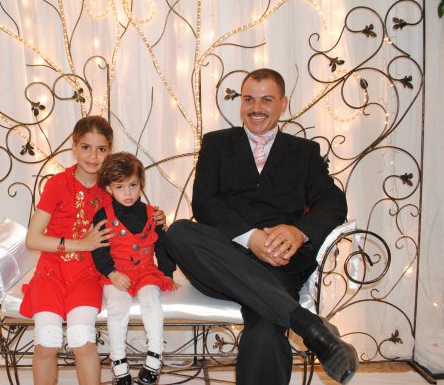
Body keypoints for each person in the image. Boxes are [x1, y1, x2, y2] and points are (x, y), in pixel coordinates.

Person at [164, 68, 359, 385]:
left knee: (266, 329)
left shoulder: (304, 152)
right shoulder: (216, 144)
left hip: (280, 265)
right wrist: (250, 238)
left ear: (283, 104)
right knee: (179, 232)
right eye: (249, 99)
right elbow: (204, 203)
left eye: (266, 100)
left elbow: (332, 203)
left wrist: (298, 232)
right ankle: (309, 326)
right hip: (223, 263)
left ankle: (296, 319)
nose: (256, 108)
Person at [19, 116, 166, 385]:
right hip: (51, 272)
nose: (93, 156)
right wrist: (81, 244)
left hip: (88, 274)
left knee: (81, 340)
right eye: (86, 147)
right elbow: (32, 239)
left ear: (109, 150)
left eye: (101, 149)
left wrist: (157, 218)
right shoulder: (57, 184)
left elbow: (137, 215)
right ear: (74, 147)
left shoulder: (112, 187)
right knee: (47, 341)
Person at [92, 152, 180, 385]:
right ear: (109, 188)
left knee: (151, 300)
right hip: (116, 272)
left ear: (141, 183)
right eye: (120, 187)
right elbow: (98, 250)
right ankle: (118, 362)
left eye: (133, 185)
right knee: (117, 306)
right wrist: (112, 273)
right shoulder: (102, 216)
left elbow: (162, 245)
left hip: (146, 271)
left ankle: (155, 356)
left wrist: (167, 274)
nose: (128, 192)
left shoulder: (153, 214)